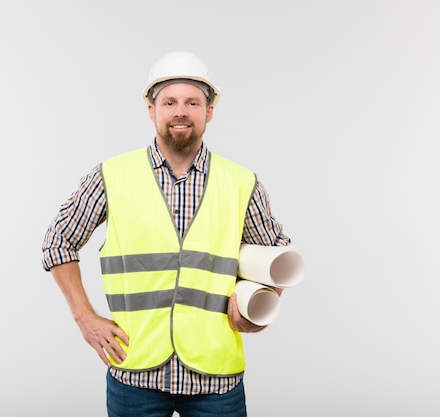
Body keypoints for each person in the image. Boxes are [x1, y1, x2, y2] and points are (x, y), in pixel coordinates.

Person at [42, 50, 291, 417]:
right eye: (169, 102)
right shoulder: (111, 175)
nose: (180, 111)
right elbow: (58, 241)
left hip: (214, 378)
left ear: (209, 112)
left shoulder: (242, 182)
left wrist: (256, 307)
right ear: (151, 110)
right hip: (135, 372)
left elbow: (278, 256)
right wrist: (85, 318)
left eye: (192, 102)